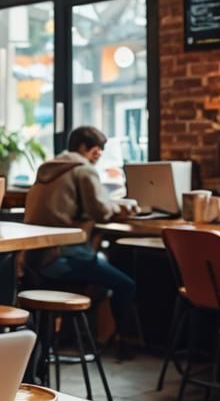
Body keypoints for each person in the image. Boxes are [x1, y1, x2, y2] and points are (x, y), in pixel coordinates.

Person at [24, 125, 137, 348]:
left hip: (34, 260)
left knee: (98, 277)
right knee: (126, 285)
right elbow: (101, 212)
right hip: (64, 258)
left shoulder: (46, 169)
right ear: (84, 148)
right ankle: (121, 340)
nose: (96, 160)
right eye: (95, 153)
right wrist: (124, 207)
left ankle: (69, 335)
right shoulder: (83, 169)